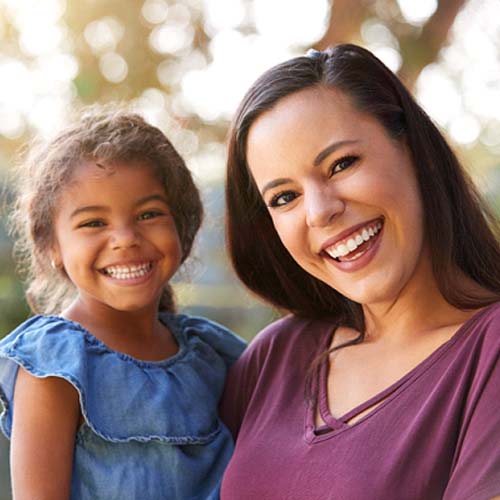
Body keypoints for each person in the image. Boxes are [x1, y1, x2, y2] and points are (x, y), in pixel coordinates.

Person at [220, 44, 500, 500]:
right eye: (284, 198)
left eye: (341, 164)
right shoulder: (277, 355)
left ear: (413, 150)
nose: (320, 211)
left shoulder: (488, 352)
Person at [0, 108, 245, 499]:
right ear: (52, 247)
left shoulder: (213, 354)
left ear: (182, 228)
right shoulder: (56, 366)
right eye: (93, 223)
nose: (125, 238)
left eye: (149, 214)